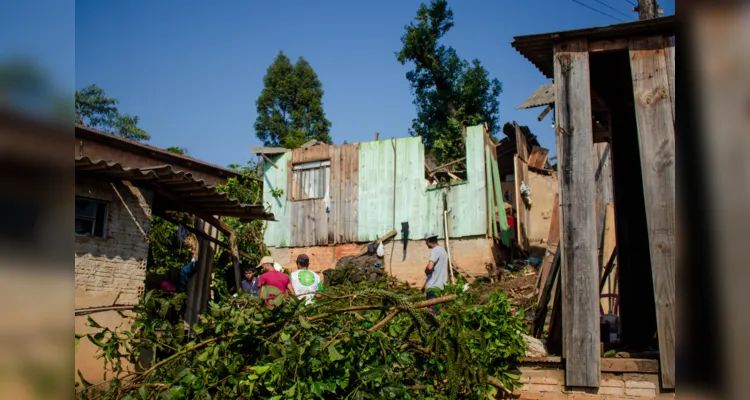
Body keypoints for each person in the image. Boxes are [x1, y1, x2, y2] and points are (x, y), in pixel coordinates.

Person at [421, 232, 448, 312]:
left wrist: (426, 270)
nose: (426, 244)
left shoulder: (435, 250)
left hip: (433, 288)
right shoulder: (443, 251)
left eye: (426, 241)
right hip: (441, 288)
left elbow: (430, 267)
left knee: (431, 314)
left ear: (428, 241)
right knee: (438, 312)